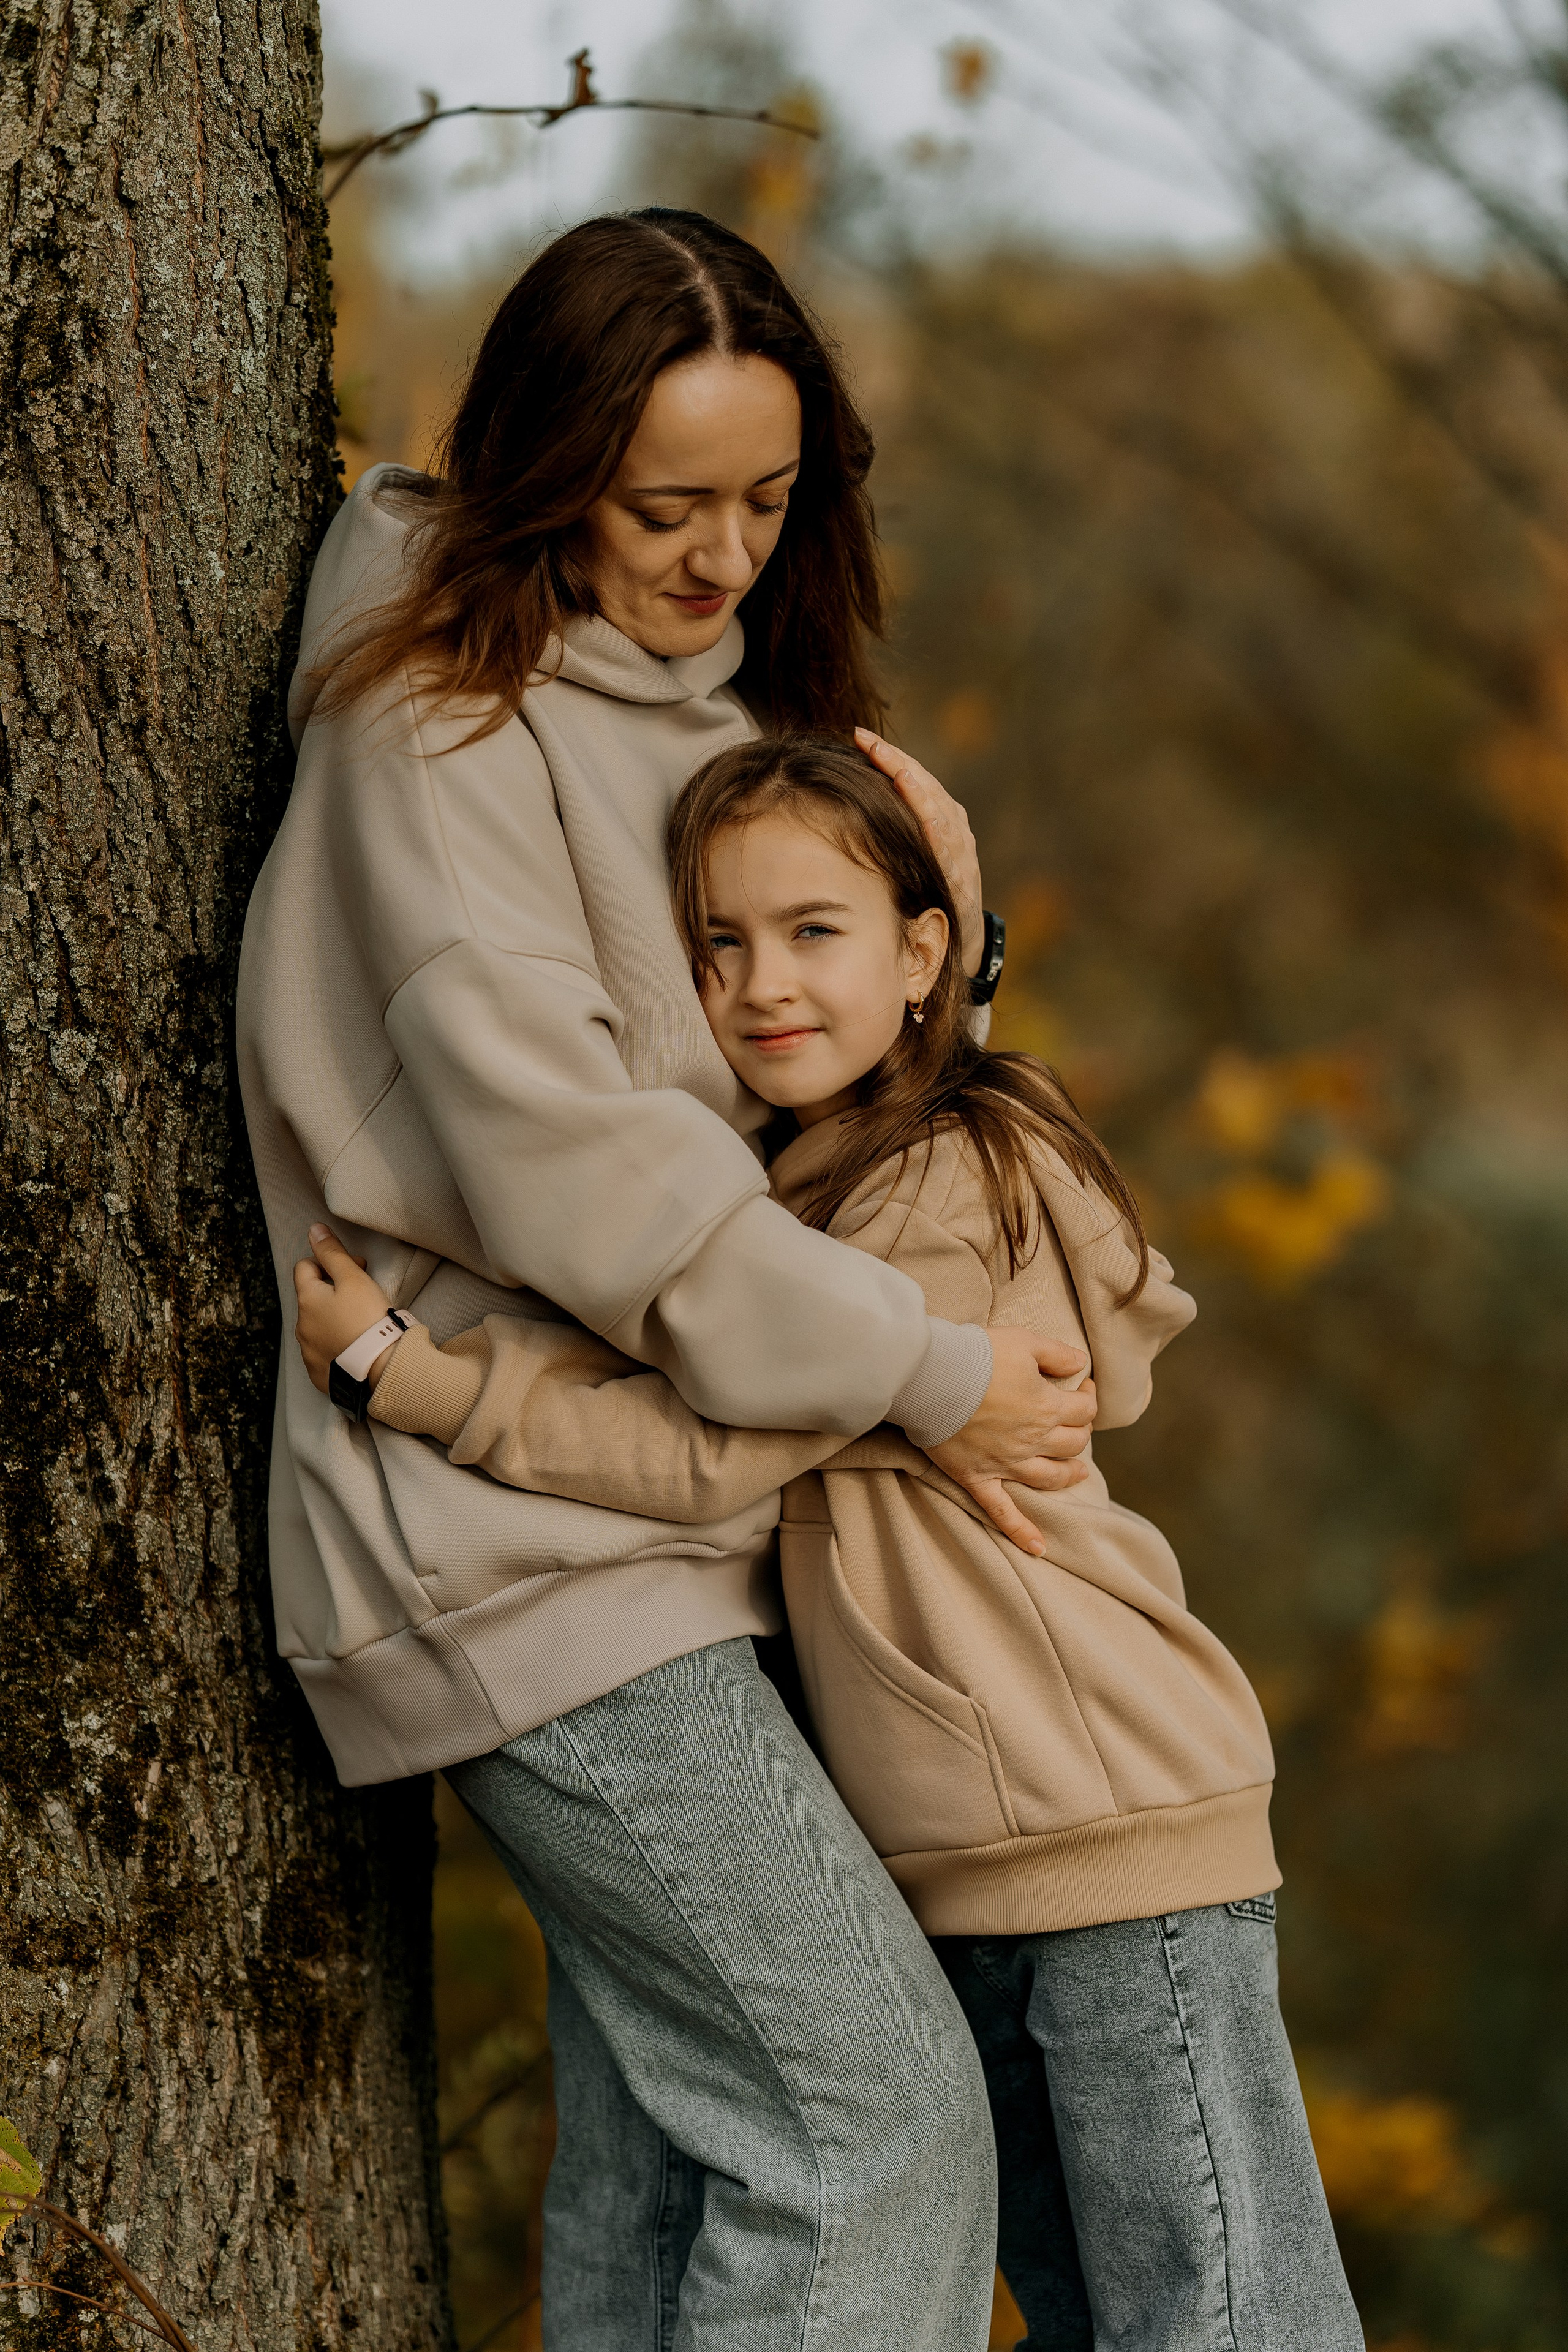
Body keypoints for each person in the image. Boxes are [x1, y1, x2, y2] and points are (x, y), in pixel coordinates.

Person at [236, 208, 1098, 2351]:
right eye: (667, 506)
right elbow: (599, 1186)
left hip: (706, 1514)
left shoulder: (724, 709)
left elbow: (831, 1108)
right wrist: (918, 1368)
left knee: (674, 2167)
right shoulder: (439, 741)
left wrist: (946, 940)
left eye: (770, 501)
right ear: (547, 473)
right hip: (522, 1551)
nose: (725, 556)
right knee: (882, 2128)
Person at [296, 735, 1365, 2352]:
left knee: (1223, 2320)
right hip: (977, 1868)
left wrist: (420, 1376)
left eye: (814, 932)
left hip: (1114, 1831)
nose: (760, 985)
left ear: (924, 948)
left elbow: (710, 1446)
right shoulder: (810, 1189)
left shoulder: (942, 1183)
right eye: (718, 944)